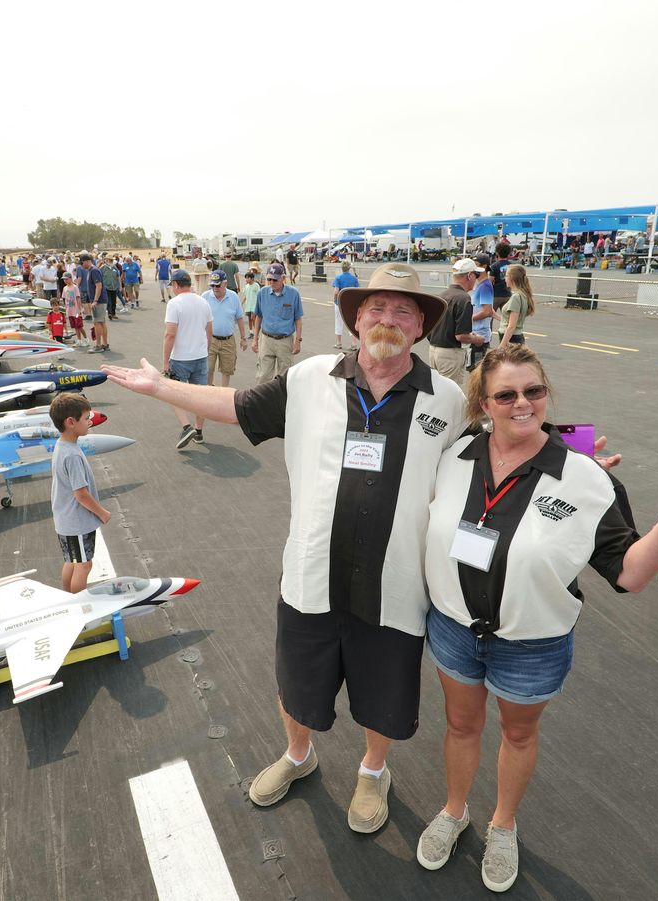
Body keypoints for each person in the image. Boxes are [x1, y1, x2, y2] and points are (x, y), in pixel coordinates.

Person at [101, 262, 465, 838]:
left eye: (403, 311)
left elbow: (484, 468)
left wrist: (564, 461)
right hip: (311, 575)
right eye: (377, 309)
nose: (388, 321)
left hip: (394, 584)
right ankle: (299, 757)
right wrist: (162, 387)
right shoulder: (310, 379)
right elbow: (238, 404)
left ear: (420, 326)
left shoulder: (448, 401)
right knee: (297, 683)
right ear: (356, 318)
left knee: (385, 694)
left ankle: (374, 772)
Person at [415, 344, 658, 892]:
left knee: (518, 735)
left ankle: (503, 824)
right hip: (453, 628)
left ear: (548, 395)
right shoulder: (456, 454)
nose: (522, 403)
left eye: (534, 391)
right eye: (506, 394)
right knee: (461, 725)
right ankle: (453, 810)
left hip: (532, 643)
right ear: (483, 404)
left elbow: (630, 575)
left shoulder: (585, 479)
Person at [49, 392, 111, 593]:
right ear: (71, 422)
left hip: (67, 521)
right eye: (86, 418)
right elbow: (81, 494)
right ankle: (78, 608)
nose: (90, 421)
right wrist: (102, 512)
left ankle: (69, 599)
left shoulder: (63, 446)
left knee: (73, 562)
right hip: (77, 523)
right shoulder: (72, 455)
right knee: (84, 565)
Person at [163, 269, 213, 449]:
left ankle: (186, 427)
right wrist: (204, 349)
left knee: (173, 394)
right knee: (201, 395)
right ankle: (199, 432)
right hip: (200, 356)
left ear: (176, 285)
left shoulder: (174, 304)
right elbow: (209, 331)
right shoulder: (203, 301)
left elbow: (170, 335)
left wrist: (165, 361)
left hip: (181, 358)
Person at [428, 259, 482, 387]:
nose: (476, 279)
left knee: (436, 389)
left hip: (434, 350)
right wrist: (476, 339)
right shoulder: (464, 299)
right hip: (450, 353)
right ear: (469, 276)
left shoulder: (442, 295)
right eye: (476, 275)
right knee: (450, 392)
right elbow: (461, 335)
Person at [253, 263, 304, 383]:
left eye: (275, 279)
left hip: (285, 341)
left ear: (283, 278)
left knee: (284, 378)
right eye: (269, 279)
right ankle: (263, 401)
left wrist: (298, 341)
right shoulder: (262, 293)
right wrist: (255, 339)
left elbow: (298, 319)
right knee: (263, 376)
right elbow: (258, 317)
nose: (271, 282)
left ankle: (281, 402)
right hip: (266, 340)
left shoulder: (293, 294)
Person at [203, 270, 247, 388]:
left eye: (217, 285)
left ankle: (223, 394)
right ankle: (208, 393)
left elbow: (240, 318)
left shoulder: (233, 297)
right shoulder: (205, 297)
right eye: (212, 285)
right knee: (208, 369)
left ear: (225, 284)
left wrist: (243, 338)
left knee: (227, 370)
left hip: (228, 340)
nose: (215, 288)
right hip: (209, 340)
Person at [497, 265, 534, 349]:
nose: (505, 279)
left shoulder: (516, 297)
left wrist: (502, 345)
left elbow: (511, 326)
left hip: (511, 339)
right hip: (516, 337)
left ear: (512, 278)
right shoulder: (523, 294)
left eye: (506, 276)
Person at [468, 260, 495, 371]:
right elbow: (490, 309)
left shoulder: (485, 287)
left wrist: (468, 319)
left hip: (480, 336)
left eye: (477, 265)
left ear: (484, 266)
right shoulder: (482, 285)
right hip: (477, 333)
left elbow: (487, 311)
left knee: (476, 369)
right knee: (474, 367)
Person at [331, 261, 360, 350]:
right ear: (349, 268)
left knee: (338, 322)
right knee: (350, 322)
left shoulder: (338, 278)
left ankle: (339, 343)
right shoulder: (354, 278)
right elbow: (357, 289)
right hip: (350, 303)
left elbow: (336, 291)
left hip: (340, 302)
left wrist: (334, 299)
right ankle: (353, 343)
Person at [62, 272, 87, 346]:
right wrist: (65, 309)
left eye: (66, 279)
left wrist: (79, 309)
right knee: (75, 326)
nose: (65, 281)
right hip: (69, 310)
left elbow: (78, 298)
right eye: (64, 279)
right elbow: (64, 299)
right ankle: (81, 340)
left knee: (79, 326)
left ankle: (83, 339)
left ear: (70, 278)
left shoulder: (75, 287)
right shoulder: (65, 288)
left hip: (76, 310)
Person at [241, 269, 261, 340]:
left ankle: (257, 334)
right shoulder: (246, 286)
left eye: (248, 278)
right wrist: (241, 303)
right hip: (248, 306)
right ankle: (251, 333)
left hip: (254, 306)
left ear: (252, 278)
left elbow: (259, 296)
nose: (246, 279)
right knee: (249, 319)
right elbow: (246, 296)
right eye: (245, 278)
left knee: (253, 319)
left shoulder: (256, 285)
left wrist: (259, 305)